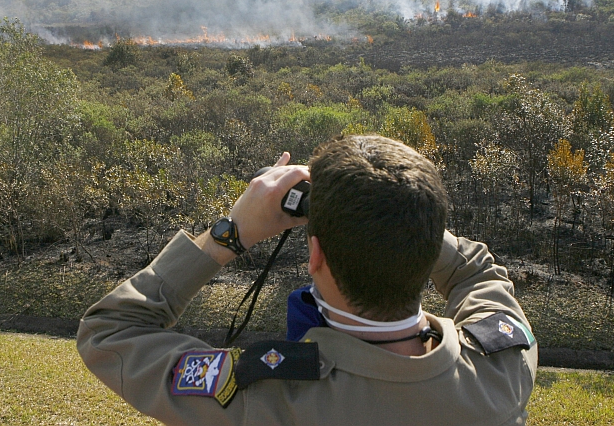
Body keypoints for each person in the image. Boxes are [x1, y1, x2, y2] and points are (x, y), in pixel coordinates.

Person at [77, 135, 538, 425]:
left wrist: (229, 234)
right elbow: (474, 270)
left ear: (315, 255)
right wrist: (400, 216)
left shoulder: (264, 399)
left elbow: (109, 331)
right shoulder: (501, 370)